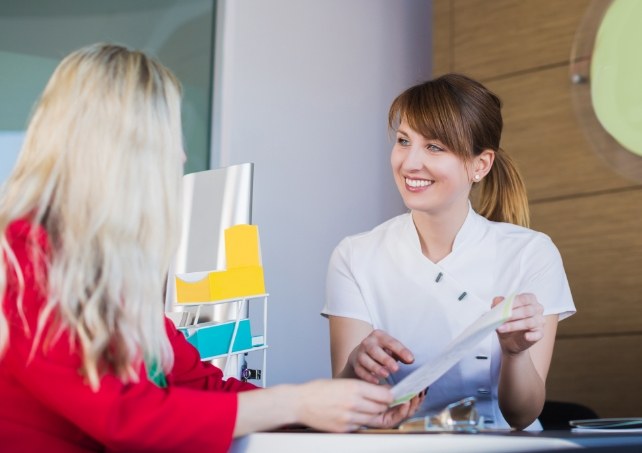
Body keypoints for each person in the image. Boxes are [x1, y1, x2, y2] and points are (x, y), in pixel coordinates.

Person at [0, 43, 422, 453]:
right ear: (120, 150)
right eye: (168, 139)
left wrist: (335, 408)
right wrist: (296, 403)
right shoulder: (21, 255)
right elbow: (124, 416)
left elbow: (201, 386)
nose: (181, 155)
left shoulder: (105, 270)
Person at [323, 73, 576, 431]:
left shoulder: (531, 253)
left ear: (480, 165)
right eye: (403, 141)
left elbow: (522, 414)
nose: (410, 163)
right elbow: (346, 408)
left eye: (434, 147)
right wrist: (356, 366)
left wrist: (516, 353)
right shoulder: (354, 255)